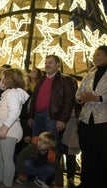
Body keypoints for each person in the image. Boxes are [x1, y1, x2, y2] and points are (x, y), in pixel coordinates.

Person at [0, 68, 29, 188]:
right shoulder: (9, 93)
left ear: (10, 80)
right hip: (5, 131)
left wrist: (5, 127)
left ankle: (6, 184)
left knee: (7, 158)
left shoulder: (13, 94)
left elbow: (14, 112)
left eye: (3, 78)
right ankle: (0, 181)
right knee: (2, 157)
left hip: (10, 131)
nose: (1, 80)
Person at [28, 55, 76, 154]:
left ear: (58, 65)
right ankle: (35, 168)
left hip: (52, 117)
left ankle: (50, 169)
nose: (47, 65)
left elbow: (69, 101)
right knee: (35, 145)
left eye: (50, 62)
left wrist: (62, 119)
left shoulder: (65, 80)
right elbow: (34, 98)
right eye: (45, 63)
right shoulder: (41, 79)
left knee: (51, 147)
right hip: (37, 117)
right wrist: (31, 116)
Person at [75, 45, 107, 187]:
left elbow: (100, 97)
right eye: (94, 55)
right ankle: (85, 182)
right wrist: (80, 98)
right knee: (87, 152)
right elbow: (79, 92)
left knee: (102, 153)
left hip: (103, 120)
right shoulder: (89, 74)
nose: (95, 57)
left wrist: (98, 98)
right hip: (86, 119)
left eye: (99, 54)